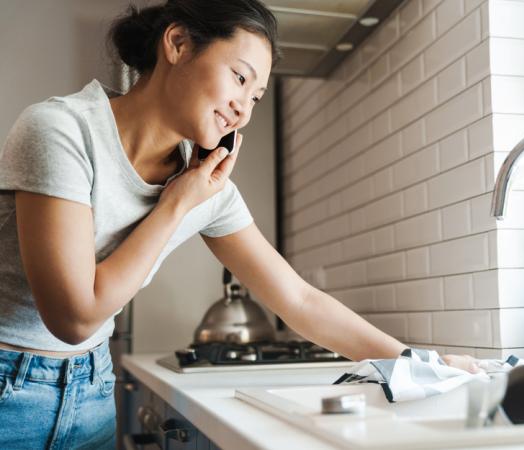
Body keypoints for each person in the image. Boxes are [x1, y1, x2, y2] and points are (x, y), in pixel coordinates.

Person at [0, 1, 479, 448]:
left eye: (256, 96)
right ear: (178, 44)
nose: (243, 108)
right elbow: (74, 317)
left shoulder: (203, 184)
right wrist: (175, 205)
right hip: (8, 386)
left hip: (94, 387)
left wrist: (422, 363)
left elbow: (300, 300)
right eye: (239, 77)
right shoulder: (61, 131)